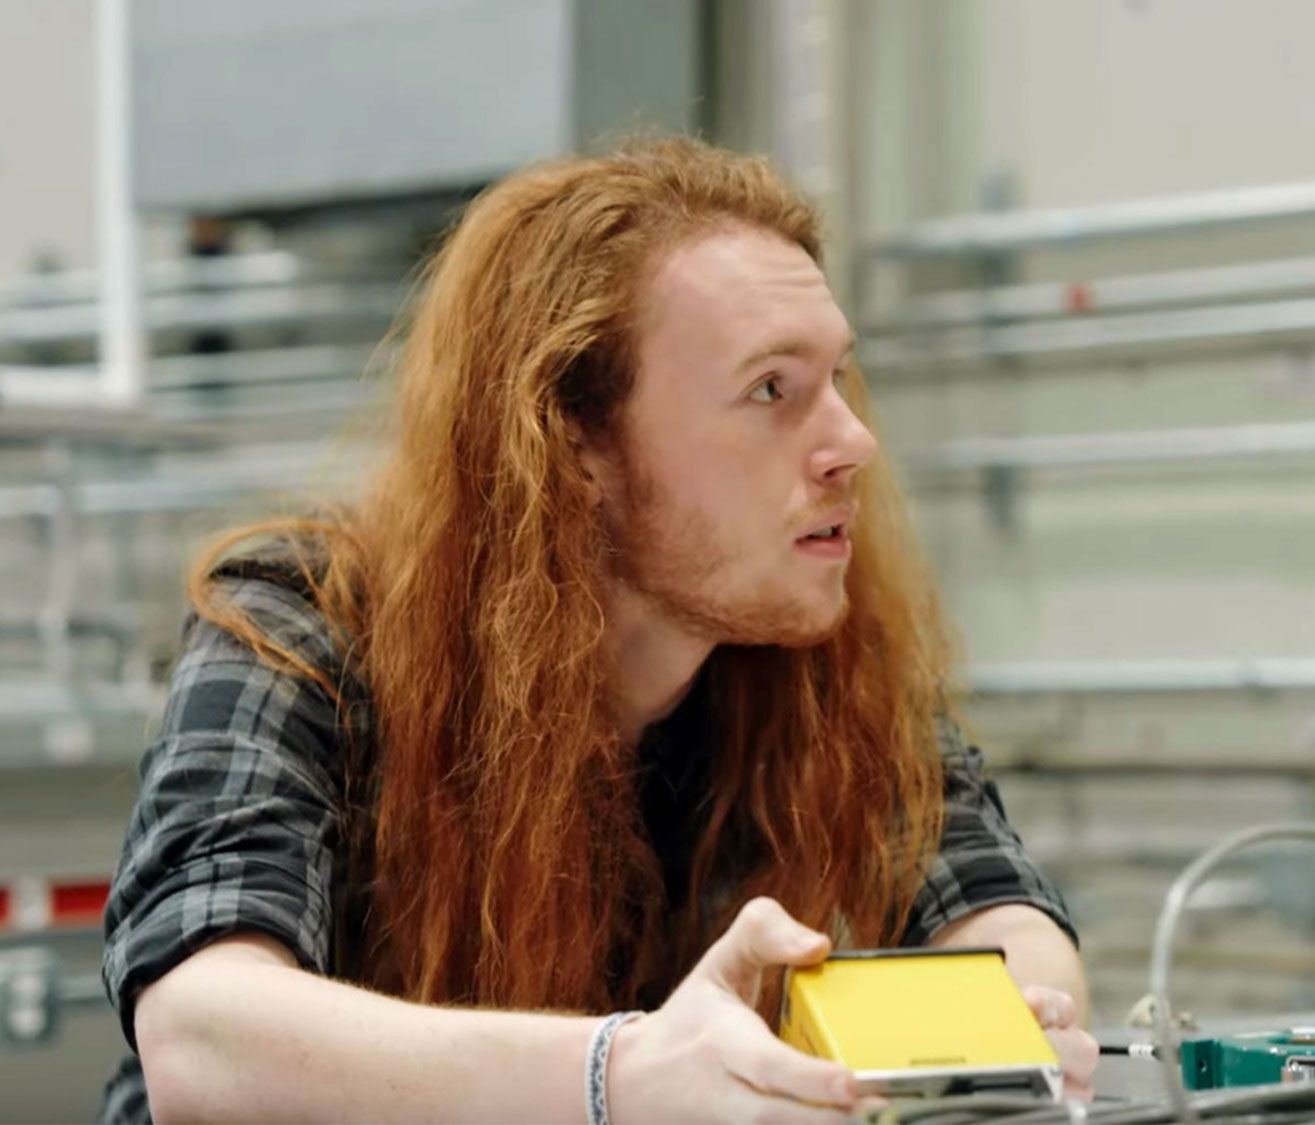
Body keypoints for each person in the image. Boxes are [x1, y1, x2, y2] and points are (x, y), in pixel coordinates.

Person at [96, 138, 1096, 1124]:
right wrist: (622, 1076)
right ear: (573, 443)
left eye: (837, 378)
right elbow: (200, 1037)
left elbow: (992, 905)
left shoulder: (803, 645)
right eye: (769, 390)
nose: (851, 441)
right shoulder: (297, 624)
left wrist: (1014, 1030)